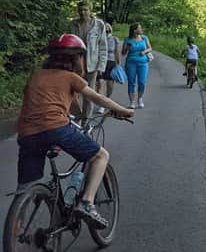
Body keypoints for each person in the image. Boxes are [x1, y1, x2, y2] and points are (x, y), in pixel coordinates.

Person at [16, 34, 135, 229]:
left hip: (27, 134)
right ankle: (87, 203)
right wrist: (123, 110)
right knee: (100, 156)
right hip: (56, 129)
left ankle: (16, 227)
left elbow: (64, 104)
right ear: (78, 58)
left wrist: (80, 117)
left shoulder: (36, 75)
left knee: (25, 187)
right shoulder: (71, 77)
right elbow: (98, 98)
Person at [68, 0, 107, 118]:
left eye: (85, 10)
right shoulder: (72, 24)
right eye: (80, 10)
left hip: (92, 64)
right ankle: (77, 119)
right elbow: (68, 43)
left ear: (90, 11)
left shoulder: (99, 25)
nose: (83, 12)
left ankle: (86, 120)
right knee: (73, 93)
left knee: (89, 94)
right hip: (75, 63)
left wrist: (101, 66)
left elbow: (103, 46)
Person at [122, 23, 152, 109]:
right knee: (131, 82)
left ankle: (140, 98)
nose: (141, 29)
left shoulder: (144, 38)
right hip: (131, 63)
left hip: (143, 63)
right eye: (140, 28)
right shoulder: (127, 40)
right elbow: (123, 53)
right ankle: (132, 102)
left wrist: (145, 51)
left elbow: (150, 48)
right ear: (135, 30)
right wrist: (127, 48)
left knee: (142, 82)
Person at [94, 23, 122, 113]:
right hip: (100, 63)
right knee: (100, 84)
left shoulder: (114, 39)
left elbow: (116, 52)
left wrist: (118, 64)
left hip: (111, 63)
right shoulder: (98, 39)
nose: (105, 31)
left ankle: (107, 99)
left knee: (110, 85)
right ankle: (102, 105)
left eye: (107, 29)